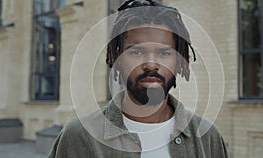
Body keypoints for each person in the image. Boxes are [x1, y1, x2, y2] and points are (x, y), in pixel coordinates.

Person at [49, 0, 229, 157]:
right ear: (117, 59)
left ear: (179, 61)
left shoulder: (208, 137)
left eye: (164, 53)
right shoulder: (77, 137)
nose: (151, 64)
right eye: (136, 52)